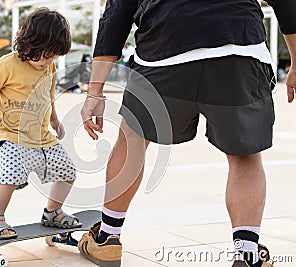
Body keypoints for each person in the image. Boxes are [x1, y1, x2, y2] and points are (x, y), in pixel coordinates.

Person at [79, 1, 296, 267]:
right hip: (237, 45)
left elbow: (117, 16)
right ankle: (247, 253)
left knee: (133, 138)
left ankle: (107, 239)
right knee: (245, 154)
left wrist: (94, 91)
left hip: (164, 47)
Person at [0, 7, 81, 240]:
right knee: (10, 177)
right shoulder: (7, 65)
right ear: (28, 44)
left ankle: (53, 213)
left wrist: (54, 119)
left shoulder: (50, 67)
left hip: (43, 138)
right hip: (12, 137)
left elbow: (49, 95)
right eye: (45, 55)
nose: (48, 61)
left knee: (68, 172)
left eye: (54, 56)